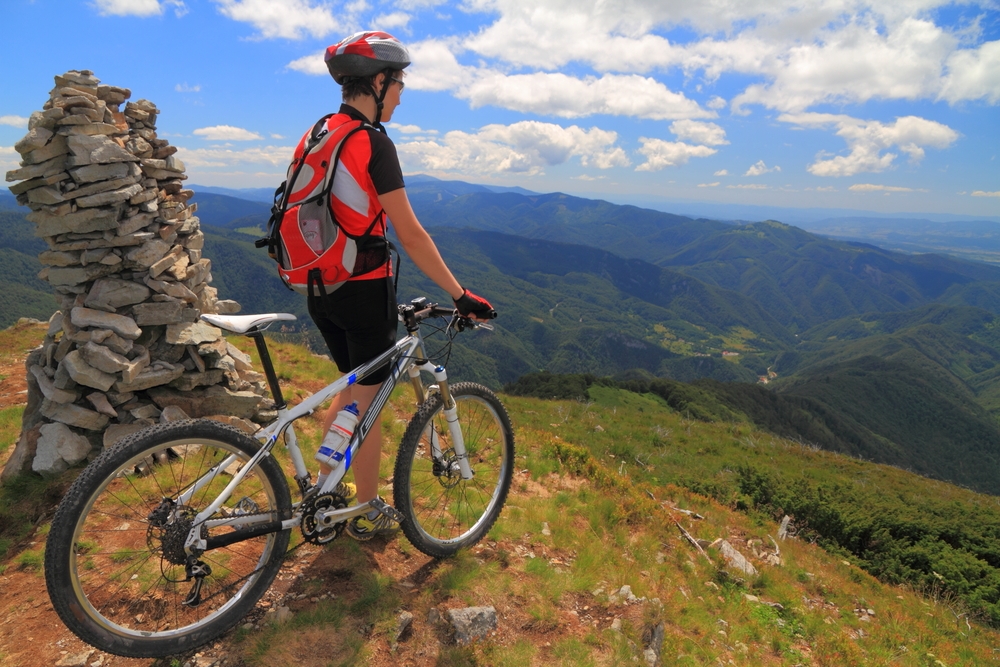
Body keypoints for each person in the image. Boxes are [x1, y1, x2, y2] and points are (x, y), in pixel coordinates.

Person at [308, 31, 496, 540]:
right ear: (377, 81)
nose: (401, 93)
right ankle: (364, 509)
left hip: (320, 285)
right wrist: (461, 295)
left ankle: (326, 492)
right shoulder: (372, 142)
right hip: (364, 289)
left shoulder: (322, 133)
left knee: (353, 387)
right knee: (366, 405)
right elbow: (410, 233)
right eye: (398, 83)